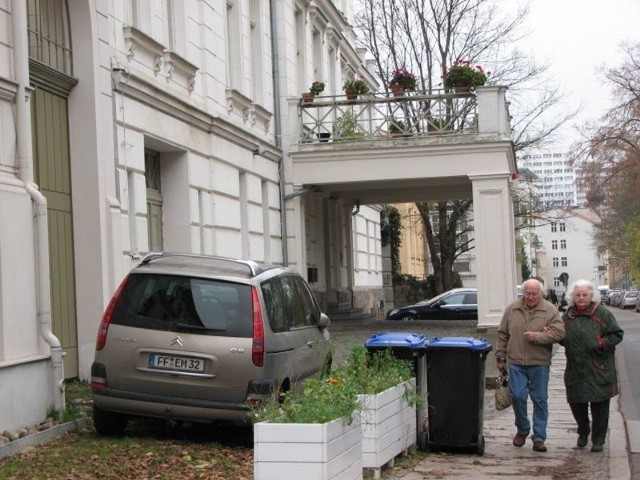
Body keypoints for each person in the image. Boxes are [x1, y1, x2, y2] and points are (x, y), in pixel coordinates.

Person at [495, 278, 565, 452]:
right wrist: (500, 357)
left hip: (539, 362)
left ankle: (539, 437)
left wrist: (537, 337)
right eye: (528, 293)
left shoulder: (549, 309)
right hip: (516, 361)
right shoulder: (512, 308)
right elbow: (503, 334)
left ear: (540, 293)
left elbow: (560, 333)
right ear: (523, 293)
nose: (531, 297)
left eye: (535, 294)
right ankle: (523, 428)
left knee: (539, 399)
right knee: (518, 396)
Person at [561, 279, 623, 452]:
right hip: (576, 368)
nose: (581, 298)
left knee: (600, 406)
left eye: (584, 295)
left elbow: (617, 334)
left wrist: (602, 343)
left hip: (598, 367)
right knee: (576, 403)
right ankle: (583, 431)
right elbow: (561, 336)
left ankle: (598, 440)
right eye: (578, 295)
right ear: (572, 297)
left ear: (591, 296)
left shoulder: (602, 313)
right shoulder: (568, 315)